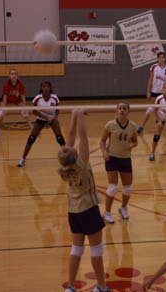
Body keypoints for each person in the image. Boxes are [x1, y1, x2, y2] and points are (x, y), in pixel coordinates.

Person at [58, 109, 109, 292]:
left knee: (76, 249)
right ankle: (102, 287)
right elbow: (83, 136)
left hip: (73, 211)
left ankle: (70, 286)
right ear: (74, 154)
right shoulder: (83, 166)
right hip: (88, 209)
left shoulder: (64, 166)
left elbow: (71, 136)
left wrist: (73, 114)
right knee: (96, 250)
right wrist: (80, 114)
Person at [100, 102, 138, 224]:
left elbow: (135, 141)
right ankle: (107, 213)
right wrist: (104, 152)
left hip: (125, 158)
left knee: (128, 188)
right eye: (120, 108)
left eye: (124, 108)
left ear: (128, 111)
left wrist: (132, 146)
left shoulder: (132, 126)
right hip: (112, 158)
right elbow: (102, 140)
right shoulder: (110, 125)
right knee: (113, 187)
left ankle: (123, 208)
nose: (122, 110)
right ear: (117, 110)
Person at [17, 81, 65, 167]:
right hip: (40, 119)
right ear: (41, 88)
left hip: (52, 118)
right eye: (44, 86)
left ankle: (66, 158)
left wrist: (55, 117)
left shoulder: (54, 98)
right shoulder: (37, 98)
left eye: (47, 86)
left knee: (60, 138)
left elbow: (58, 109)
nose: (45, 88)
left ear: (50, 88)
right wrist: (46, 118)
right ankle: (23, 159)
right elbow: (34, 111)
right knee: (31, 138)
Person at [137, 52, 166, 134]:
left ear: (165, 58)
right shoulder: (154, 67)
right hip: (155, 91)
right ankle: (141, 126)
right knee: (151, 109)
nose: (161, 59)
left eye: (163, 57)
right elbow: (150, 80)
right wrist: (148, 91)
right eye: (160, 57)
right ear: (157, 58)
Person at [0, 68, 31, 137]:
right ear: (9, 75)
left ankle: (31, 128)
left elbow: (23, 96)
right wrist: (4, 107)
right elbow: (5, 97)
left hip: (18, 101)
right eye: (12, 74)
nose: (14, 76)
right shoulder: (6, 85)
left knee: (25, 114)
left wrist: (24, 107)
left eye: (15, 74)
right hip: (8, 101)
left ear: (17, 75)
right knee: (1, 114)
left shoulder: (21, 85)